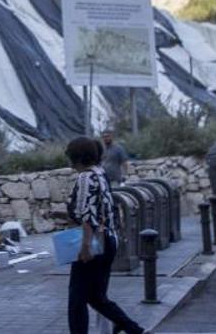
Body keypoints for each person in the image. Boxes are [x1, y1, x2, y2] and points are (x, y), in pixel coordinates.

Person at [65, 136, 146, 334]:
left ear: (77, 157)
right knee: (96, 297)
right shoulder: (100, 174)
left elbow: (88, 215)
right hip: (108, 240)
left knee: (76, 301)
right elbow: (99, 209)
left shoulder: (85, 177)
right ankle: (133, 329)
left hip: (93, 243)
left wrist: (85, 248)